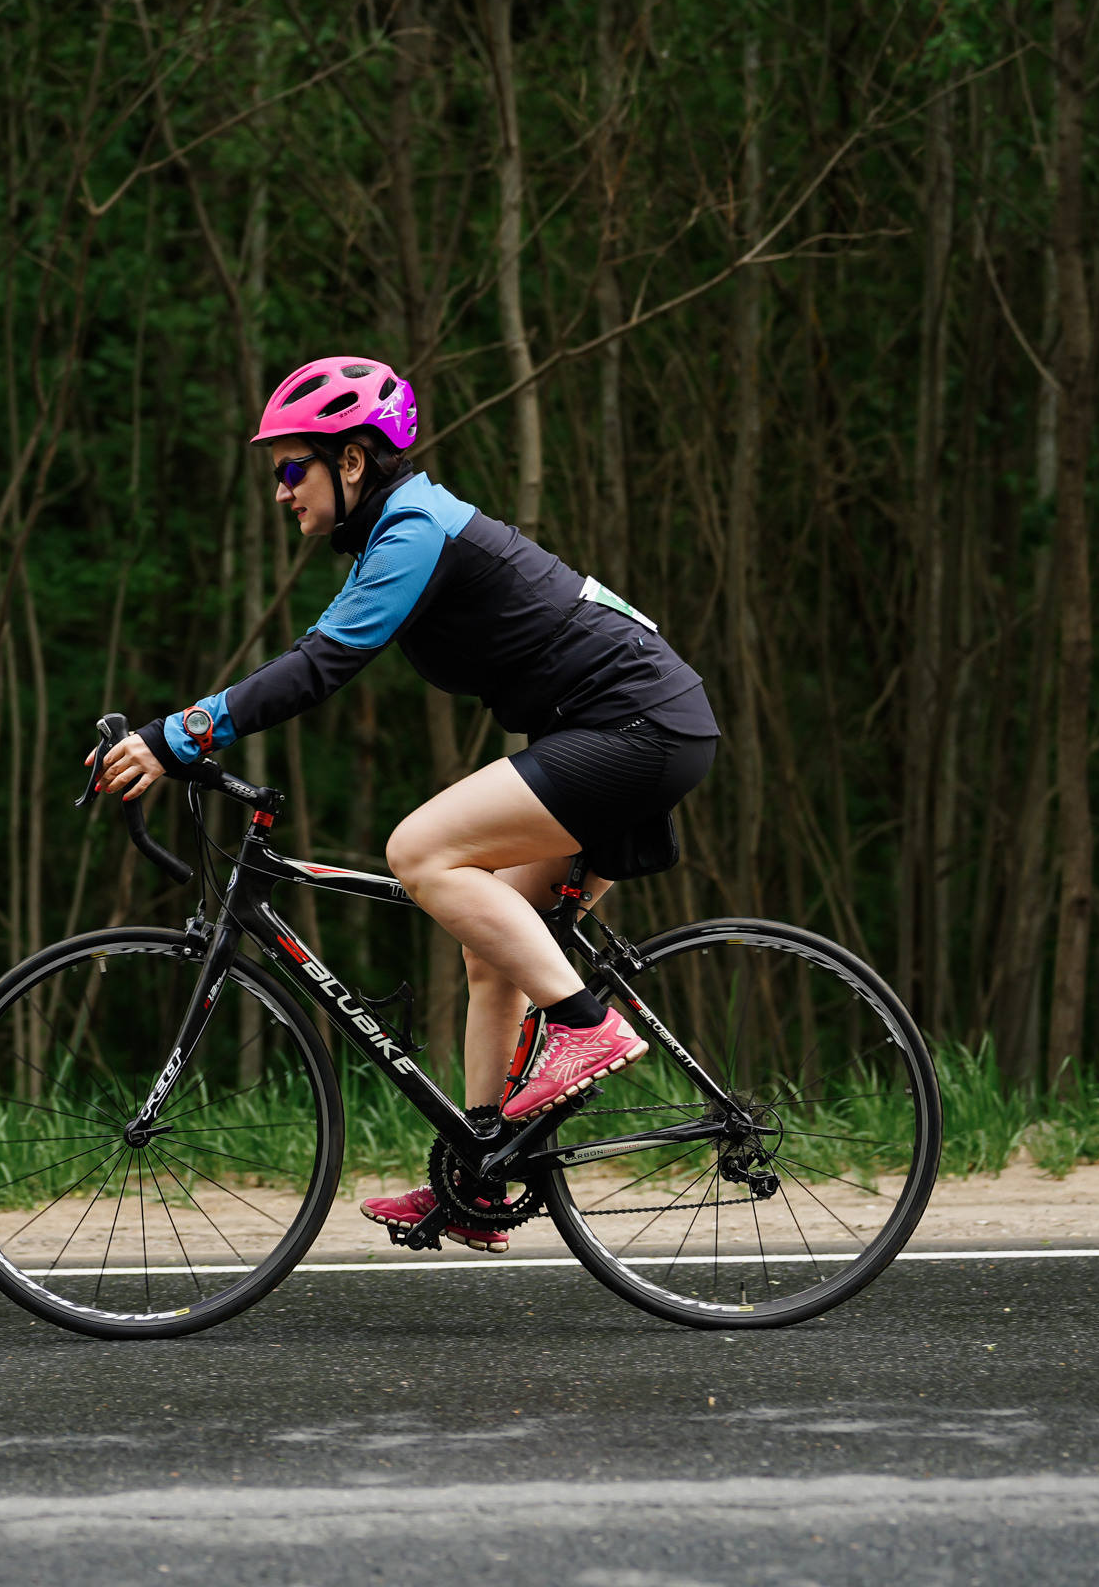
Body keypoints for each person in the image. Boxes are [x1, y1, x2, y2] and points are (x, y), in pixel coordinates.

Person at [92, 354, 720, 1254]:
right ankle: (480, 1173)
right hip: (632, 726)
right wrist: (192, 736)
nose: (280, 491)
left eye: (289, 466)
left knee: (421, 852)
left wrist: (175, 736)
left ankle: (585, 1029)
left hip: (636, 725)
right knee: (493, 950)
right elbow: (312, 655)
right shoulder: (397, 531)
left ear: (351, 461)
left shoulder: (416, 524)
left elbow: (320, 666)